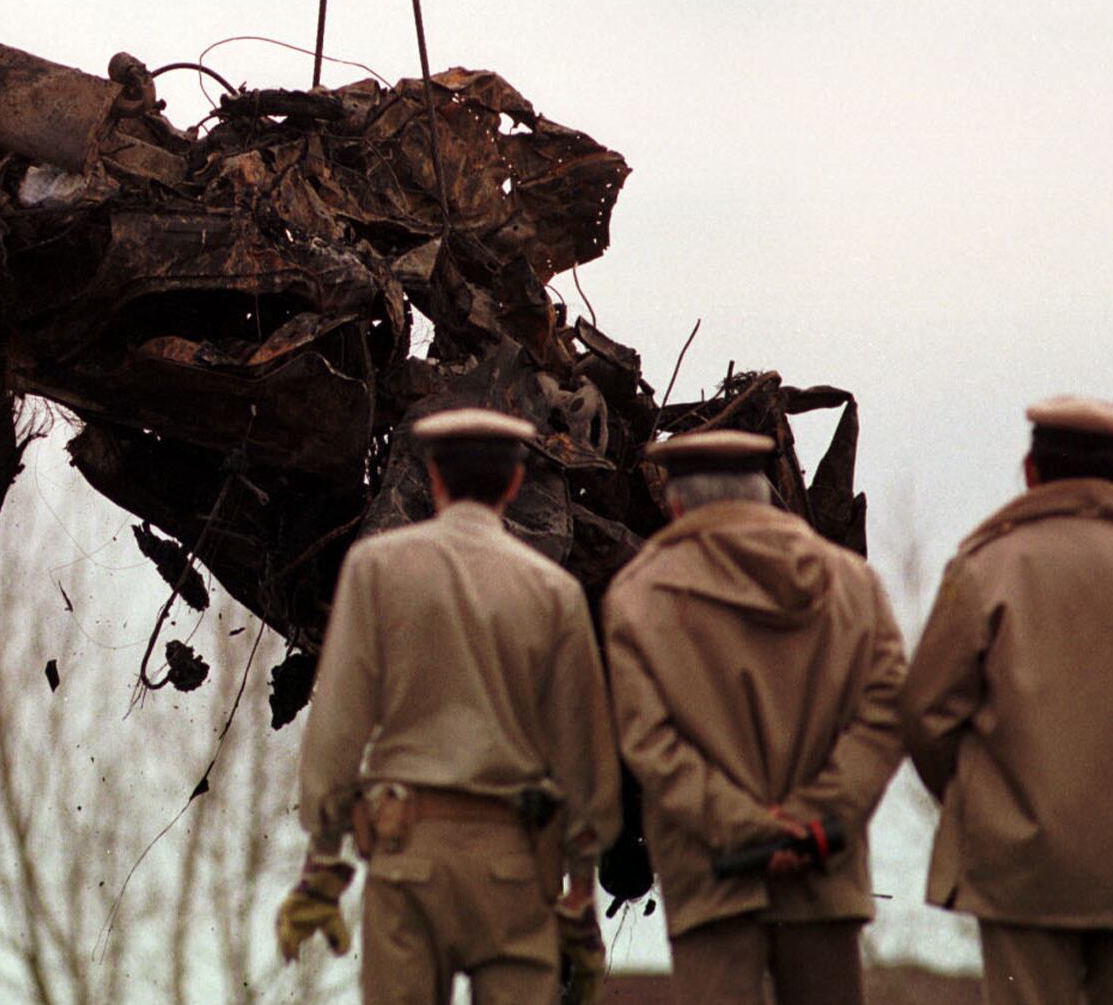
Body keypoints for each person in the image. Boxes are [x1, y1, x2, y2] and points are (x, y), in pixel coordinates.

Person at [278, 407, 621, 1004]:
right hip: (516, 868)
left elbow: (339, 725)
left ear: (433, 476)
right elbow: (582, 751)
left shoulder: (376, 568)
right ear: (515, 483)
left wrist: (323, 863)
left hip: (408, 858)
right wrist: (581, 891)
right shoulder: (554, 592)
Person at [900, 396, 1113, 1005]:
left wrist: (986, 803)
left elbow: (925, 717)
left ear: (1031, 471)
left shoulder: (984, 571)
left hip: (1021, 872)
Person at [602, 429, 906, 1005]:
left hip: (713, 878)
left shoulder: (639, 596)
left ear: (676, 506)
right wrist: (817, 817)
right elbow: (889, 713)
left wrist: (746, 828)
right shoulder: (852, 584)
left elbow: (648, 743)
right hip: (824, 868)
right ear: (763, 493)